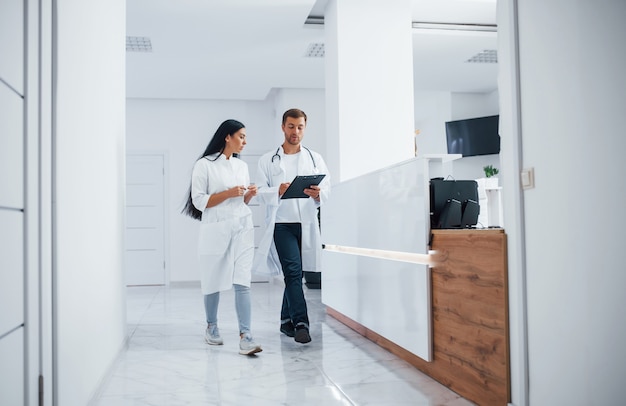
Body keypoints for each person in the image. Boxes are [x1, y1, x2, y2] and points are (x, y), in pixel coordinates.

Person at [181, 119, 262, 356]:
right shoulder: (204, 165)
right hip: (215, 227)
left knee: (242, 280)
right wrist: (228, 193)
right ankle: (211, 327)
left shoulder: (241, 167)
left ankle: (246, 336)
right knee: (212, 278)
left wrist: (249, 195)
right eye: (242, 136)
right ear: (227, 136)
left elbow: (241, 200)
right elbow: (199, 201)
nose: (245, 141)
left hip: (243, 226)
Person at [254, 108, 331, 344]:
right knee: (294, 272)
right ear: (282, 127)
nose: (295, 131)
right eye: (291, 126)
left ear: (304, 128)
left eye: (300, 127)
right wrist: (276, 190)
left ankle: (285, 321)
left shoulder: (315, 158)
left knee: (295, 275)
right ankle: (301, 323)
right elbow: (258, 192)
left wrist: (319, 194)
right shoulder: (267, 160)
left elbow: (328, 188)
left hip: (306, 222)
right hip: (281, 224)